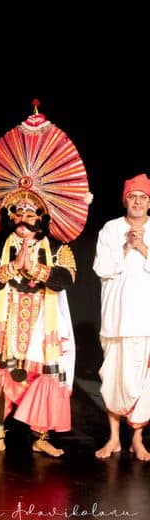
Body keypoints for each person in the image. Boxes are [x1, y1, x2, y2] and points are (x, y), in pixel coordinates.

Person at [0, 191, 77, 457]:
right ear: (10, 216)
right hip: (3, 316)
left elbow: (67, 278)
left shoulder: (58, 248)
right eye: (19, 213)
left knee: (42, 376)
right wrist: (13, 266)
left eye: (30, 213)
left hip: (42, 322)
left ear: (41, 217)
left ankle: (41, 437)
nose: (24, 219)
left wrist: (35, 269)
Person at [93, 172, 150, 461]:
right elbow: (101, 268)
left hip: (144, 323)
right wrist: (126, 246)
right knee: (113, 379)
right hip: (115, 319)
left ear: (149, 202)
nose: (137, 202)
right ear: (125, 200)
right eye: (132, 197)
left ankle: (137, 440)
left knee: (142, 382)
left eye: (143, 197)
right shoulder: (110, 229)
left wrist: (143, 248)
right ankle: (114, 438)